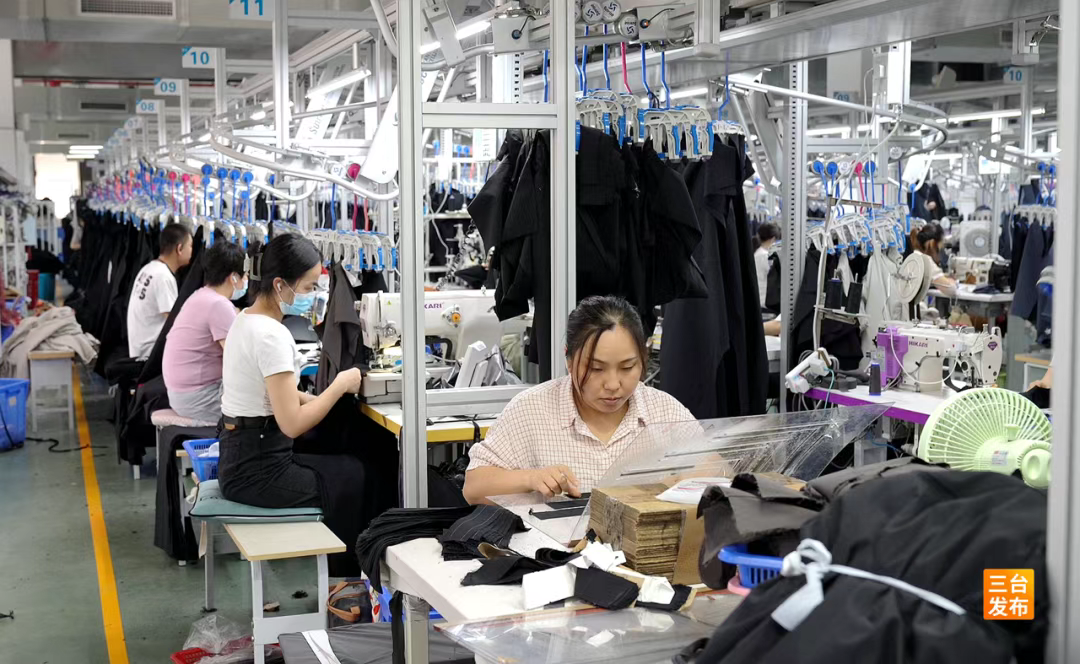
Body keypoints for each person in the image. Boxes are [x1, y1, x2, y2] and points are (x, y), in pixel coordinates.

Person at [217, 233, 365, 575]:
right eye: (309, 287)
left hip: (239, 455)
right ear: (280, 284)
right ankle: (345, 578)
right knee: (353, 475)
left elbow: (272, 392)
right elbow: (293, 424)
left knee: (339, 453)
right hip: (257, 471)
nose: (312, 296)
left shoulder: (244, 320)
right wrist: (339, 386)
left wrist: (319, 400)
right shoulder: (271, 335)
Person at [463, 295, 695, 504]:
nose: (613, 384)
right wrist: (530, 478)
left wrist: (684, 480)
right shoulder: (531, 409)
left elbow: (710, 474)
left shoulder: (665, 412)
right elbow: (473, 488)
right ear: (569, 359)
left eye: (627, 367)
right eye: (596, 368)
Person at [161, 241, 248, 422]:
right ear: (233, 277)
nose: (246, 280)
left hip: (182, 394)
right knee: (268, 406)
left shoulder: (201, 295)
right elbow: (238, 360)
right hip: (200, 399)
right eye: (245, 275)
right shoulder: (219, 305)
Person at [126, 223, 193, 361]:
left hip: (139, 349)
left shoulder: (149, 268)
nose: (192, 251)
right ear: (179, 249)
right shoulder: (163, 276)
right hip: (149, 355)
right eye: (190, 246)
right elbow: (174, 321)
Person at [911, 222, 957, 297]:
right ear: (932, 243)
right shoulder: (926, 261)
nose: (939, 253)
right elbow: (951, 290)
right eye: (938, 249)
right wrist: (952, 282)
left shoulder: (915, 255)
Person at [754, 222, 780, 305]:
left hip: (761, 296)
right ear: (773, 239)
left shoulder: (759, 252)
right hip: (764, 298)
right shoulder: (765, 256)